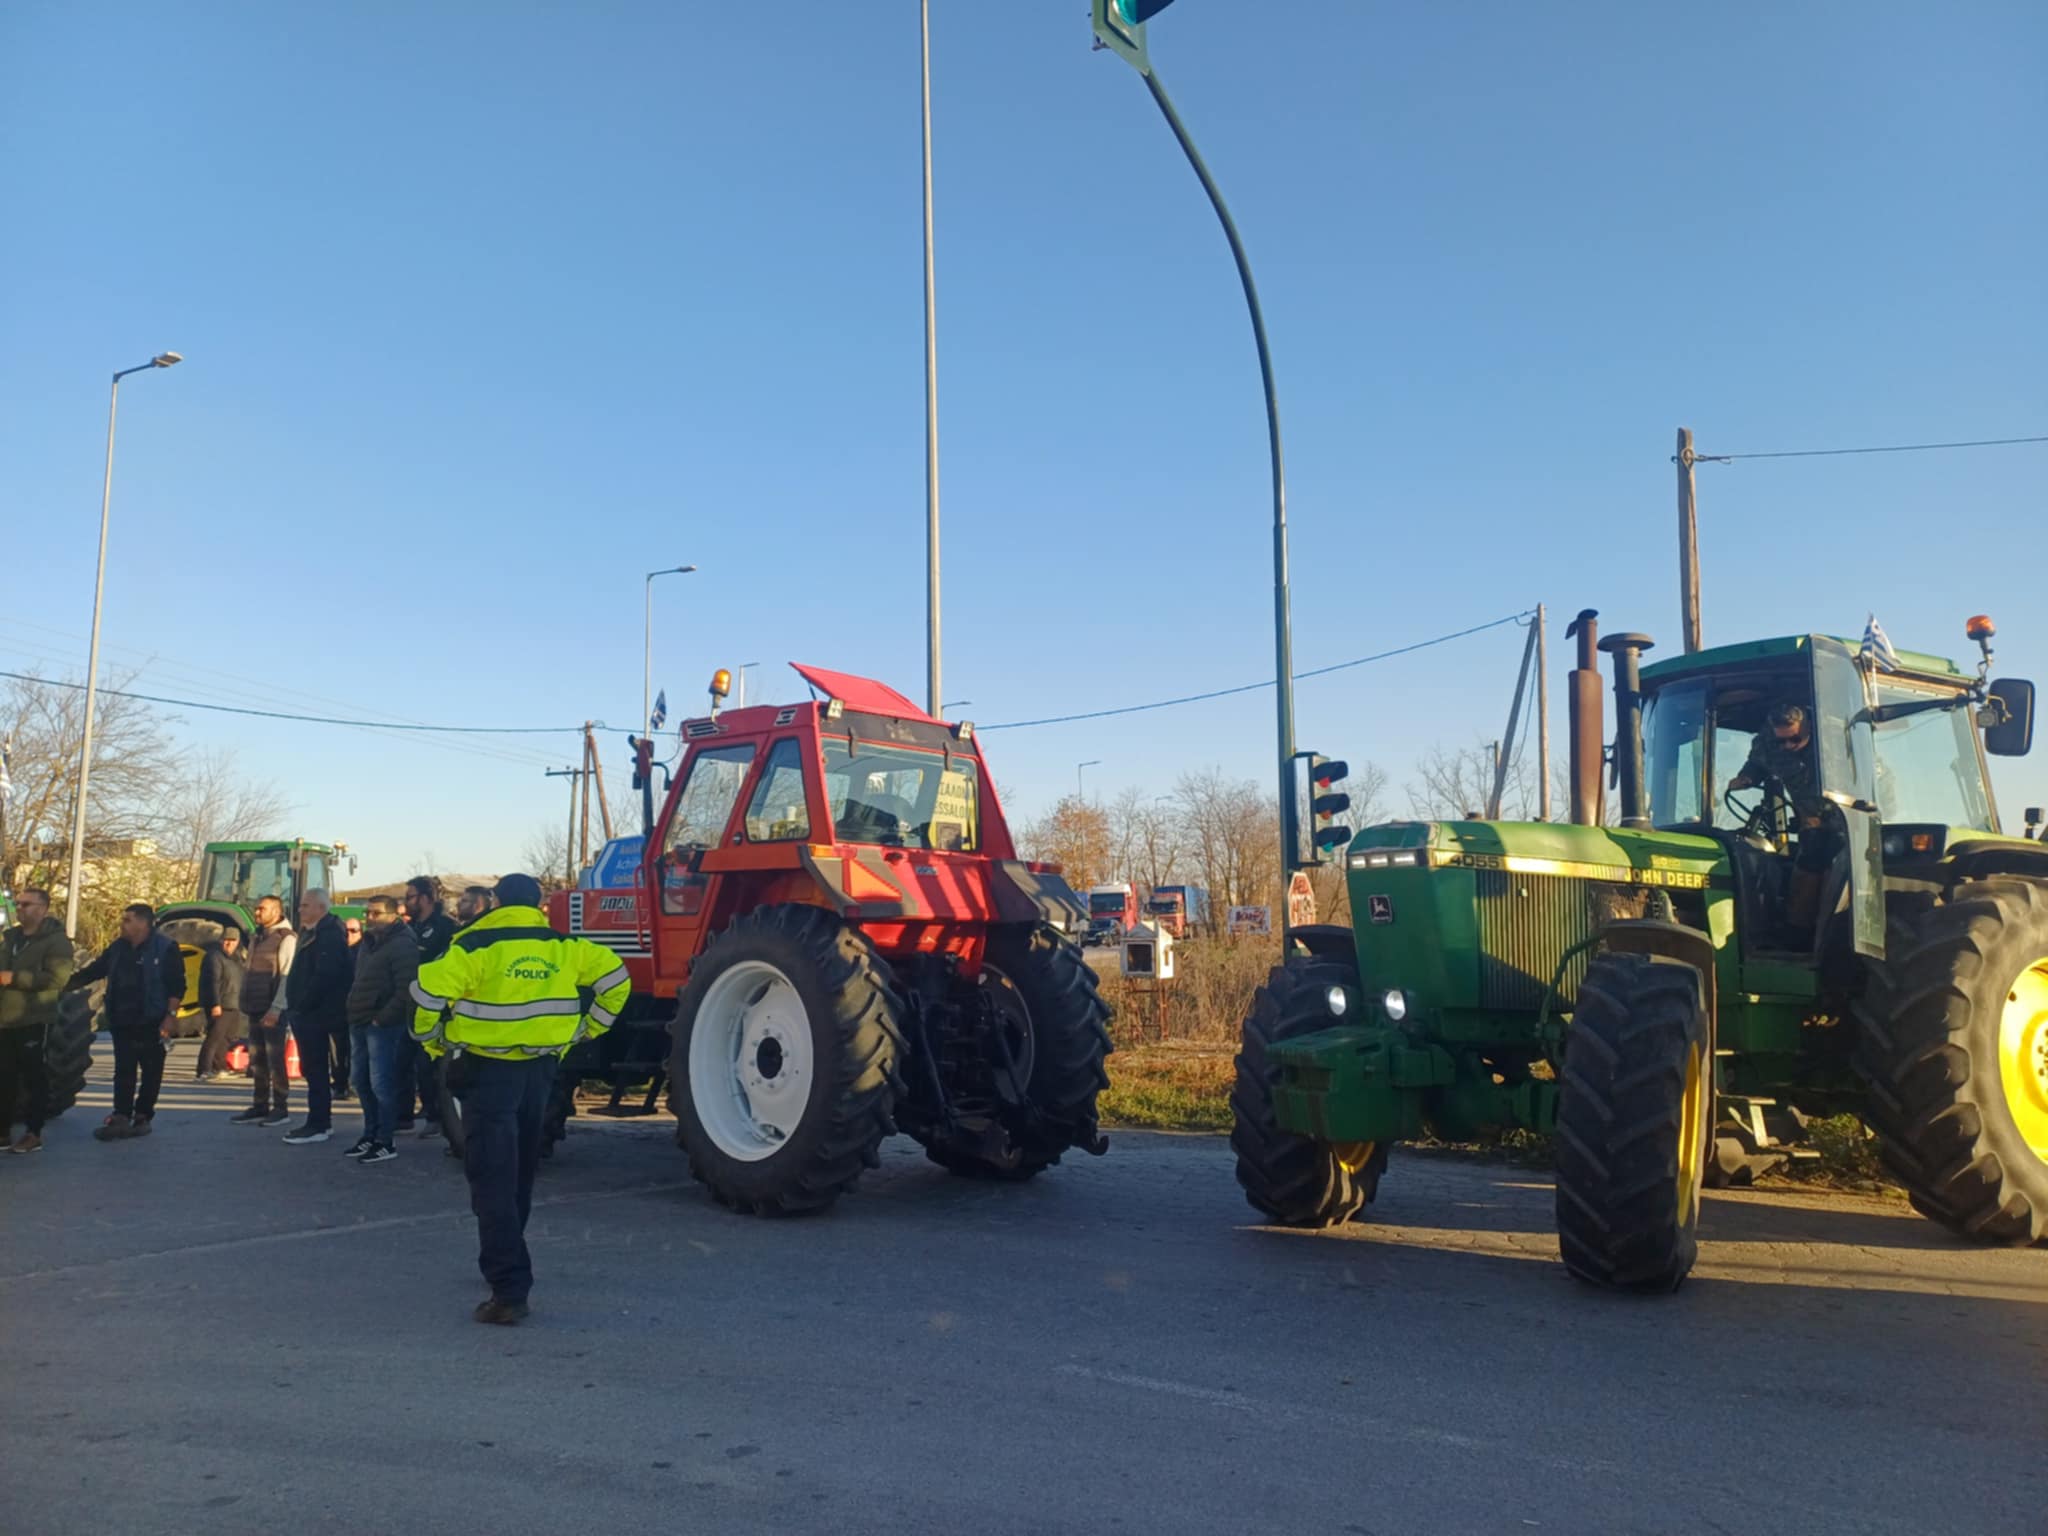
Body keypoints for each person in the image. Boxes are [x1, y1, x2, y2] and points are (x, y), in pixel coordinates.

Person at [410, 873, 629, 1324]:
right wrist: (587, 1030)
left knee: (490, 1176)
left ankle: (509, 1289)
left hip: (487, 1070)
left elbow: (426, 994)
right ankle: (507, 1254)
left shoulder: (473, 946)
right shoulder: (563, 948)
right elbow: (617, 980)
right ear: (540, 904)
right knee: (519, 1171)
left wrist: (437, 1041)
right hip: (541, 1070)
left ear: (494, 901)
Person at [65, 903, 186, 1140]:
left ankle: (142, 1116)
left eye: (128, 920)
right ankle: (121, 1115)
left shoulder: (166, 948)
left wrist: (169, 1018)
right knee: (124, 1070)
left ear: (143, 923)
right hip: (123, 1021)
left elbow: (177, 986)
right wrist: (62, 985)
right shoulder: (118, 948)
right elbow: (95, 971)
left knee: (151, 1071)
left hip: (152, 1021)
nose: (123, 924)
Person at [1729, 699, 1834, 938]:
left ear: (1807, 727)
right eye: (1781, 740)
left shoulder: (1833, 737)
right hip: (1808, 819)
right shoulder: (1769, 742)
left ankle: (1830, 928)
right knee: (1808, 858)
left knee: (1835, 863)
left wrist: (1830, 817)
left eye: (1794, 739)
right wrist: (1747, 778)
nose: (1787, 745)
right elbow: (1757, 764)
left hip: (1846, 819)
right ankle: (1797, 932)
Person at [341, 896, 419, 1165]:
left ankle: (386, 1140)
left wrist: (383, 1018)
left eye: (375, 913)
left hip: (381, 1024)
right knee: (360, 1081)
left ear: (392, 915)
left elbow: (407, 988)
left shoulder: (402, 944)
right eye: (367, 912)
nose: (369, 918)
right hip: (359, 1018)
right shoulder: (369, 943)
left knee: (381, 1083)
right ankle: (370, 1134)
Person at [0, 888, 76, 1155]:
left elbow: (58, 979)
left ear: (42, 908)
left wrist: (15, 978)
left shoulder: (56, 942)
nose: (19, 908)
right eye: (17, 904)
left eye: (26, 904)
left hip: (33, 1019)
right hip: (5, 1020)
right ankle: (3, 1132)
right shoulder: (10, 939)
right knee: (4, 1077)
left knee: (34, 1078)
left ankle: (34, 1133)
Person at [280, 889, 350, 1145]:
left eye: (305, 905)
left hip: (317, 1014)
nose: (300, 910)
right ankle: (317, 1120)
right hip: (308, 1012)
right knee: (313, 1070)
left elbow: (325, 975)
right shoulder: (313, 933)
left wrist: (302, 1004)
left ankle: (320, 1123)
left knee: (317, 1069)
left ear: (321, 907)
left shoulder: (329, 934)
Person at [229, 896, 298, 1128]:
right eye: (257, 908)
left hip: (272, 1010)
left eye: (262, 908)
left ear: (277, 911)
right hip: (255, 1007)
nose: (257, 913)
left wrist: (276, 1009)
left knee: (275, 1059)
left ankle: (280, 1107)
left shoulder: (285, 938)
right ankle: (260, 1105)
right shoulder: (257, 936)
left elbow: (287, 976)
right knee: (257, 1059)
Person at [399, 876, 458, 1139]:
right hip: (407, 1005)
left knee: (430, 1067)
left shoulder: (446, 928)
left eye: (410, 897)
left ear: (425, 898)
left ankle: (438, 1117)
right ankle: (404, 1116)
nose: (406, 902)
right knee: (402, 1063)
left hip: (434, 1009)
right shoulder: (407, 928)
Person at [192, 926, 246, 1082]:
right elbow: (212, 982)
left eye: (232, 941)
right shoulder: (214, 957)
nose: (229, 944)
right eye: (226, 940)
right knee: (214, 1037)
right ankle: (203, 1069)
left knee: (226, 1038)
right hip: (220, 1003)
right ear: (221, 940)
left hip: (234, 1003)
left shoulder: (236, 958)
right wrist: (215, 1004)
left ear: (237, 942)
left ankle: (220, 1067)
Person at [331, 916, 363, 1100]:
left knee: (355, 1049)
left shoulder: (364, 952)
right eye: (346, 931)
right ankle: (339, 1083)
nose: (349, 935)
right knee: (337, 1050)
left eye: (353, 931)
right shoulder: (337, 951)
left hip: (357, 1007)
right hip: (337, 1007)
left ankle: (353, 1084)